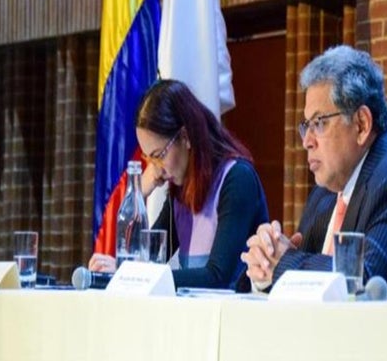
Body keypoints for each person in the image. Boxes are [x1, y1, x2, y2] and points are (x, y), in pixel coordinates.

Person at [241, 45, 387, 298]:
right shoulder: (324, 194)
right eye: (306, 125)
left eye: (319, 123)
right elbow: (300, 267)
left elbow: (364, 279)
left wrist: (283, 263)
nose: (306, 141)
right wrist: (265, 264)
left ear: (361, 124)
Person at [89, 79, 269, 289]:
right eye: (148, 158)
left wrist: (134, 274)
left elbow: (217, 277)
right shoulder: (181, 189)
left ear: (185, 136)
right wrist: (139, 195)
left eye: (158, 155)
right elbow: (150, 260)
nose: (156, 168)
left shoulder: (237, 179)